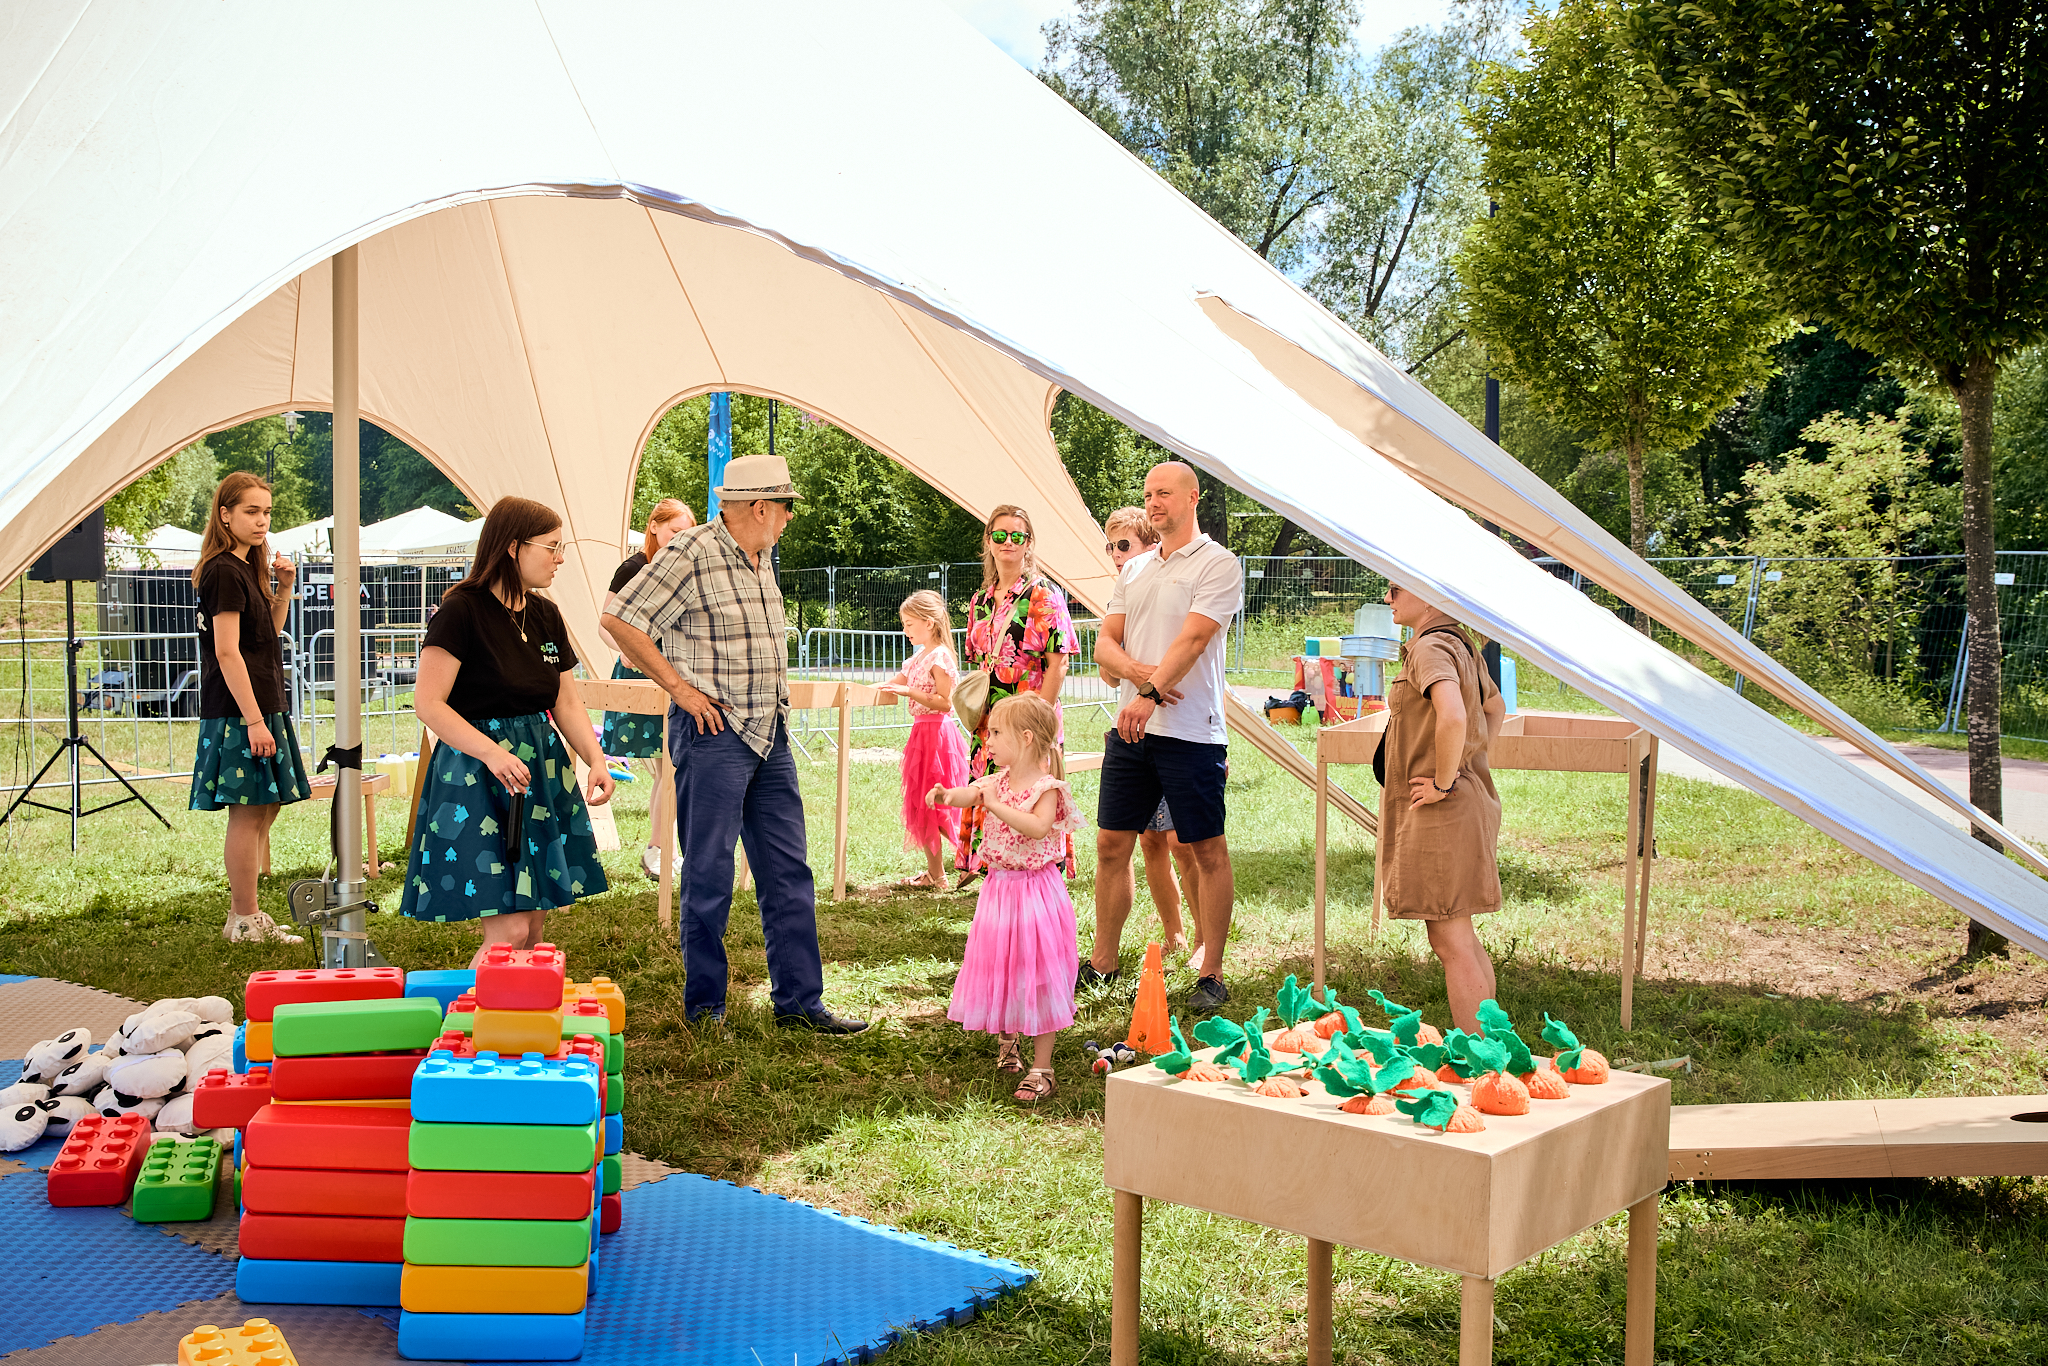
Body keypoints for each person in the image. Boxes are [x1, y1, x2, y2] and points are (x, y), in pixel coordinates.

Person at [602, 454, 868, 1035]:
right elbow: (618, 619)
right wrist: (678, 688)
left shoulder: (761, 553)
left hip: (769, 732)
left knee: (788, 870)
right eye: (788, 507)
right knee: (709, 871)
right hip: (713, 733)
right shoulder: (691, 550)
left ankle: (800, 1002)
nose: (791, 518)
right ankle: (705, 1010)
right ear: (762, 507)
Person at [400, 497, 614, 968]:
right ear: (514, 547)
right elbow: (428, 703)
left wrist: (596, 760)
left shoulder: (545, 614)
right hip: (478, 774)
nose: (560, 559)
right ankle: (465, 1013)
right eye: (552, 547)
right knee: (510, 932)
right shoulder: (461, 611)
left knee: (533, 929)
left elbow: (565, 702)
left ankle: (516, 1012)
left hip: (538, 770)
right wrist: (492, 753)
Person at [1088, 463, 1243, 1014]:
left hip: (1192, 733)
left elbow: (1195, 639)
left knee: (1205, 849)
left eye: (1165, 493)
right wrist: (1139, 675)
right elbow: (1104, 644)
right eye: (1148, 493)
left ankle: (1211, 971)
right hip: (1130, 730)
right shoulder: (1134, 569)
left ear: (1193, 497)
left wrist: (1148, 694)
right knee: (1112, 845)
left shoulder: (1218, 563)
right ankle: (1102, 962)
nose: (1154, 502)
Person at [927, 692, 1084, 1105]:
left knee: (1038, 971)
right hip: (999, 891)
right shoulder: (995, 781)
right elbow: (970, 794)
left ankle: (1042, 1066)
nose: (988, 740)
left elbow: (1037, 828)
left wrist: (995, 805)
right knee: (1003, 964)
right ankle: (1008, 1043)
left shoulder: (1047, 788)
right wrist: (947, 795)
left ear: (1026, 738)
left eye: (996, 733)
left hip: (1035, 892)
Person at [189, 472, 312, 945]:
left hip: (261, 703)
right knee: (248, 812)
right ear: (225, 515)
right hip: (242, 710)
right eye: (251, 512)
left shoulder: (244, 567)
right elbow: (226, 652)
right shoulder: (222, 570)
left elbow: (266, 636)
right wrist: (255, 720)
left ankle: (245, 914)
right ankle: (245, 917)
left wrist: (284, 588)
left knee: (265, 806)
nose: (262, 521)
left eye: (267, 512)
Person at [1379, 583, 1507, 1033]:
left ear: (1429, 597)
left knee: (1449, 938)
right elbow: (1495, 708)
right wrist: (1471, 757)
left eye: (1397, 589)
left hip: (1444, 808)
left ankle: (1478, 1056)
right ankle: (1492, 1044)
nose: (1389, 598)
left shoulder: (1430, 647)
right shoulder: (1462, 644)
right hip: (1465, 800)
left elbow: (1452, 714)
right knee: (1460, 934)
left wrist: (1443, 780)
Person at [1096, 506, 1201, 956]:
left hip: (1181, 732)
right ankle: (1174, 933)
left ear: (1151, 545)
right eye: (1110, 546)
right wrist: (1135, 670)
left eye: (1124, 545)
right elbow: (1106, 670)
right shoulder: (1123, 594)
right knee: (1151, 842)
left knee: (1184, 843)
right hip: (1132, 733)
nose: (1116, 554)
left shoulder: (1178, 585)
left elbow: (1193, 654)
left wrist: (1137, 670)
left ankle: (1203, 939)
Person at [958, 504, 1079, 888]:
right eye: (999, 535)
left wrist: (1038, 720)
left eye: (1017, 535)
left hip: (1030, 722)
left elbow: (1058, 663)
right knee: (991, 790)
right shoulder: (979, 601)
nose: (1007, 542)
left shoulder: (1044, 595)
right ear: (988, 542)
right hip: (990, 721)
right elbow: (979, 661)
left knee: (1029, 795)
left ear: (1029, 543)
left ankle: (1037, 884)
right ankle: (994, 875)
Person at [599, 497, 695, 880]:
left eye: (686, 534)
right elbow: (605, 624)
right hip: (642, 677)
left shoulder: (681, 571)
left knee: (667, 769)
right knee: (666, 769)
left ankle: (660, 849)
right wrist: (627, 651)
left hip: (671, 675)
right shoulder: (633, 568)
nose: (679, 539)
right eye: (674, 531)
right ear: (654, 526)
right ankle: (658, 850)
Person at [878, 590, 967, 890]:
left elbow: (945, 702)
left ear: (929, 623)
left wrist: (910, 692)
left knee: (941, 801)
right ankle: (936, 874)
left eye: (909, 624)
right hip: (921, 735)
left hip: (937, 736)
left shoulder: (939, 656)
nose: (905, 630)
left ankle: (967, 862)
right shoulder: (917, 658)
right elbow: (893, 684)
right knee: (922, 804)